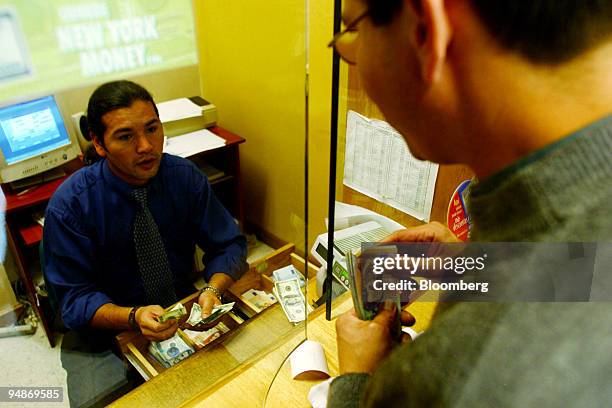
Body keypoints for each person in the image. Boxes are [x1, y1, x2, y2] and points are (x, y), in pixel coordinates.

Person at [327, 0, 612, 406]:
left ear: (426, 30)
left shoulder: (457, 381)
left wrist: (362, 382)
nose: (354, 58)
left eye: (353, 29)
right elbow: (595, 268)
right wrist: (473, 265)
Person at [43, 80, 248, 406]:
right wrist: (132, 316)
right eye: (126, 137)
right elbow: (73, 301)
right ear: (99, 143)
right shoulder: (70, 207)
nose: (146, 146)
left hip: (177, 309)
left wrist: (213, 289)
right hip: (103, 334)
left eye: (153, 129)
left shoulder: (184, 178)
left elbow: (229, 245)